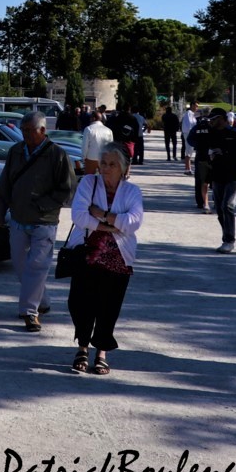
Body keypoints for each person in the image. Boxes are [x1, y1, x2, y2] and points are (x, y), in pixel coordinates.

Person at [0, 110, 77, 332]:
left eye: (30, 131)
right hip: (19, 219)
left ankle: (30, 312)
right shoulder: (16, 151)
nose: (27, 135)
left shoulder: (57, 155)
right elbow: (4, 185)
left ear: (43, 130)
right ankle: (43, 301)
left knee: (37, 267)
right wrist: (0, 212)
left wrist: (44, 204)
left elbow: (68, 189)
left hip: (44, 221)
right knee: (21, 266)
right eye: (23, 131)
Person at [65, 144, 144, 375]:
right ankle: (82, 346)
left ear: (122, 168)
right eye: (104, 164)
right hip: (87, 254)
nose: (106, 169)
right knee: (79, 303)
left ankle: (101, 351)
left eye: (112, 164)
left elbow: (134, 223)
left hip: (119, 258)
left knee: (108, 306)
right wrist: (110, 226)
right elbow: (78, 215)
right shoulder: (89, 183)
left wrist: (102, 214)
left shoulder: (132, 191)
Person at [188, 107, 236, 253]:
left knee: (228, 205)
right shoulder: (210, 133)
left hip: (233, 175)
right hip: (217, 174)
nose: (211, 122)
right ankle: (226, 235)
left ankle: (229, 240)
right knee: (220, 208)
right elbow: (194, 140)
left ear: (221, 119)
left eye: (213, 119)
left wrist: (224, 152)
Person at [80, 106, 113, 175]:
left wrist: (83, 158)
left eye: (91, 117)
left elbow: (85, 145)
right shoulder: (109, 130)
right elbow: (111, 147)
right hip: (104, 158)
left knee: (89, 180)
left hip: (91, 158)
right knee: (103, 179)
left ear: (94, 118)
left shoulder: (88, 129)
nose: (90, 119)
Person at [181, 100, 199, 175]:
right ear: (191, 105)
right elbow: (189, 125)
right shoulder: (189, 113)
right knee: (188, 151)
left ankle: (188, 168)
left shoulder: (192, 114)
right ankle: (187, 169)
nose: (196, 107)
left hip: (190, 134)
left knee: (190, 152)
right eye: (196, 105)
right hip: (189, 134)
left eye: (197, 106)